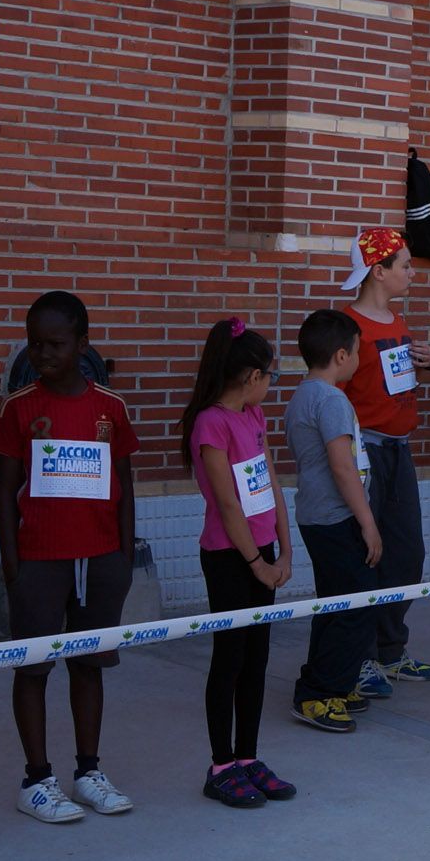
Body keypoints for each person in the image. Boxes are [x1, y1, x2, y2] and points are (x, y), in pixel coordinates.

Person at [0, 291, 139, 823]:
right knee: (32, 669)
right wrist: (13, 566)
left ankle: (88, 772)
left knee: (89, 665)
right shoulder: (20, 407)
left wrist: (122, 559)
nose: (42, 353)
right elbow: (6, 492)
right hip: (38, 562)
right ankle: (36, 780)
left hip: (100, 561)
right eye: (35, 343)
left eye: (55, 343)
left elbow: (125, 487)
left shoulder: (110, 408)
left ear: (82, 344)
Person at [178, 317, 296, 808]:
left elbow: (269, 482)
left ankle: (248, 757)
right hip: (230, 558)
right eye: (269, 375)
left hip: (263, 553)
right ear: (249, 376)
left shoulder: (254, 416)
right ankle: (221, 764)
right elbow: (228, 505)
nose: (270, 384)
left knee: (256, 658)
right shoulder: (211, 423)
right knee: (229, 658)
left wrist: (285, 550)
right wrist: (257, 563)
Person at [338, 228, 430, 692]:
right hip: (368, 453)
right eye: (405, 266)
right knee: (366, 554)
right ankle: (357, 660)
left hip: (400, 449)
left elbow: (397, 376)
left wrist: (429, 360)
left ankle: (389, 651)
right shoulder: (348, 329)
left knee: (407, 553)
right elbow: (331, 395)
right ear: (379, 271)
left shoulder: (396, 319)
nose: (412, 273)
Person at [284, 309, 382, 734]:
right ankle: (318, 694)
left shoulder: (304, 394)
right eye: (358, 351)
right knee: (355, 607)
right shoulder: (331, 400)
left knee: (334, 603)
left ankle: (332, 681)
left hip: (317, 516)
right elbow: (342, 466)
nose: (360, 358)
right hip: (336, 517)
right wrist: (368, 522)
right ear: (341, 355)